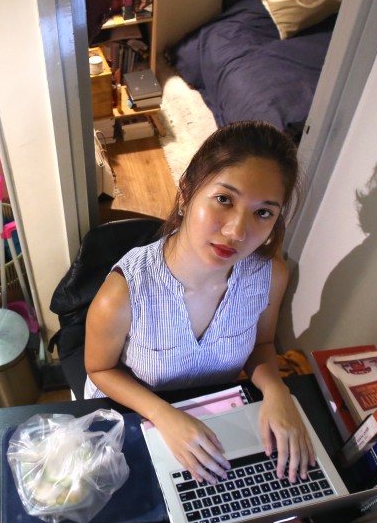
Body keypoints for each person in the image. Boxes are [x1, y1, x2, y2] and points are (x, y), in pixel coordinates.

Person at [83, 120, 314, 485]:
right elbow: (99, 371)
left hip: (214, 419)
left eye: (263, 212)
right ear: (188, 189)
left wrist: (276, 390)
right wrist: (163, 415)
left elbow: (263, 345)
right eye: (224, 199)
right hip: (130, 417)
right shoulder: (125, 292)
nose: (237, 231)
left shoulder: (270, 275)